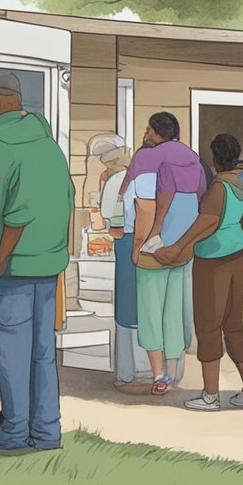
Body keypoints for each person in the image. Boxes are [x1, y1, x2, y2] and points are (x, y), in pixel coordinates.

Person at [0, 73, 73, 453]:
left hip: (9, 268)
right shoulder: (48, 146)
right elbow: (67, 197)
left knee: (11, 354)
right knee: (43, 352)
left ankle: (13, 432)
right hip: (48, 265)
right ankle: (46, 431)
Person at [157, 134, 243, 411]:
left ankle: (211, 395)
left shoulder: (218, 188)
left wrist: (178, 246)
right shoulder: (242, 185)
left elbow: (208, 222)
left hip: (214, 260)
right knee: (234, 323)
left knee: (208, 324)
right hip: (238, 254)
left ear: (214, 159)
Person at [127, 113, 206, 395]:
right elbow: (200, 199)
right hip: (183, 248)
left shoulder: (147, 158)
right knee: (174, 311)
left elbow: (138, 204)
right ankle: (173, 373)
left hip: (155, 249)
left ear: (156, 132)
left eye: (148, 129)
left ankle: (158, 375)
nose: (145, 134)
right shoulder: (194, 159)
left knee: (150, 311)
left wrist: (140, 244)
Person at [99, 136, 149, 386]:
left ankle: (127, 372)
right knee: (147, 305)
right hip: (151, 243)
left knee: (127, 307)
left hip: (127, 242)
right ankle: (150, 368)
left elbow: (109, 219)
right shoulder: (146, 179)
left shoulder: (115, 182)